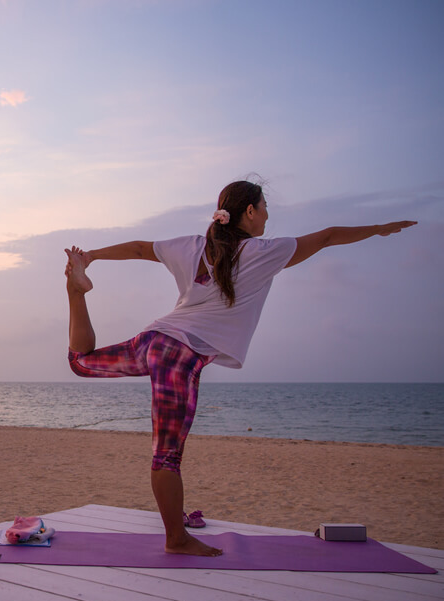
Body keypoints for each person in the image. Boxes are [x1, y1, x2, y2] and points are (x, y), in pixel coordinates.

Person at [64, 180, 416, 556]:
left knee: (81, 362)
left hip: (155, 340)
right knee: (167, 453)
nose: (266, 216)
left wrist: (91, 257)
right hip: (179, 354)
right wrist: (378, 229)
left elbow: (138, 248)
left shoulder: (190, 244)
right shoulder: (264, 252)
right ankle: (176, 539)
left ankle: (75, 292)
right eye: (264, 208)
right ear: (249, 211)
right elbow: (328, 236)